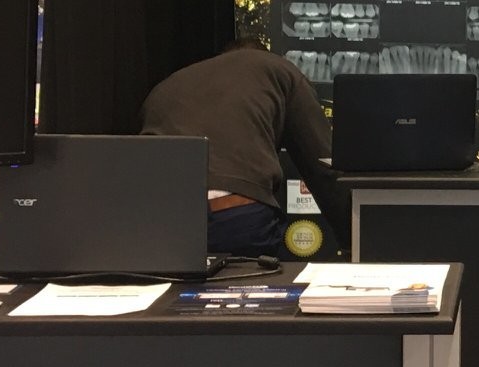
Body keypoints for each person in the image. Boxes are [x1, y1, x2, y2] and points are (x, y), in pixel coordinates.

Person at [139, 40, 347, 259]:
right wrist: (353, 240)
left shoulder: (167, 85)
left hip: (155, 218)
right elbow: (325, 166)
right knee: (254, 276)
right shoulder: (279, 69)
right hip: (233, 213)